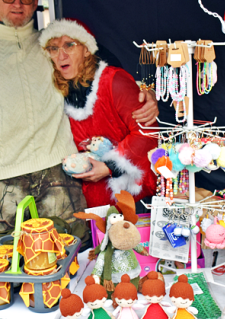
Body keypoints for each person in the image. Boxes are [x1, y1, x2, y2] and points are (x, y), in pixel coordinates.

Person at [0, 0, 158, 232]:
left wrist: (145, 93)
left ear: (36, 3)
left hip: (58, 175)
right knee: (7, 255)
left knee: (72, 250)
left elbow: (100, 72)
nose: (18, 3)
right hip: (0, 181)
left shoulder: (51, 47)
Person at [39, 18, 158, 207]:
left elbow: (147, 134)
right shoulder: (54, 90)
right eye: (54, 48)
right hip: (89, 201)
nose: (61, 56)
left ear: (86, 49)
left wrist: (109, 166)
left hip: (131, 196)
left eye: (69, 45)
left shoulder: (114, 81)